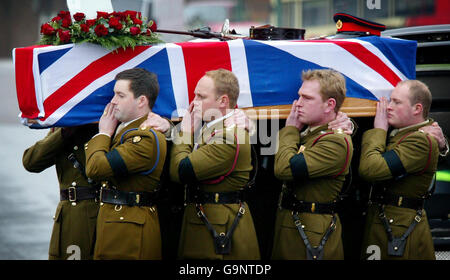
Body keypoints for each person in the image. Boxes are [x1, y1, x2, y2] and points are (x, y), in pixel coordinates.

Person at [169, 68, 260, 260]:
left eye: (201, 96)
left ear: (223, 101)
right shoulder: (213, 128)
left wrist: (184, 133)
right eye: (194, 95)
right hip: (207, 218)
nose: (194, 102)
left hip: (219, 227)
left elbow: (180, 171)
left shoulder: (227, 136)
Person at [84, 68, 167, 260]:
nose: (113, 101)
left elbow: (96, 168)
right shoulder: (125, 131)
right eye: (114, 94)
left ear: (141, 101)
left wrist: (104, 133)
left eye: (120, 95)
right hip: (115, 225)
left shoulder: (144, 138)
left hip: (130, 233)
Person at [272, 69, 353, 260]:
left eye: (307, 98)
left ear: (329, 105)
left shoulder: (335, 142)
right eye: (299, 96)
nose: (298, 104)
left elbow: (284, 168)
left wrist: (290, 129)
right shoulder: (312, 133)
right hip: (292, 225)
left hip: (311, 234)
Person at [359, 80, 440, 260]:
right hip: (385, 221)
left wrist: (379, 131)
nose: (388, 107)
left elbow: (371, 170)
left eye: (397, 102)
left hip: (398, 227)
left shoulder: (420, 141)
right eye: (390, 100)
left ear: (417, 109)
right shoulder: (402, 133)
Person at [23, 124, 99, 260]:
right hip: (71, 214)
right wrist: (63, 133)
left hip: (98, 212)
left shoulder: (107, 123)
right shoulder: (62, 125)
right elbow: (31, 162)